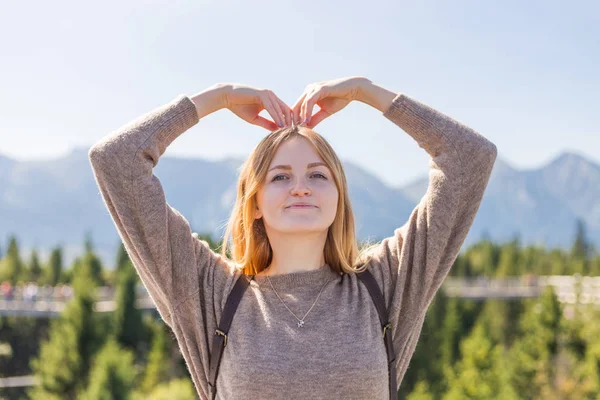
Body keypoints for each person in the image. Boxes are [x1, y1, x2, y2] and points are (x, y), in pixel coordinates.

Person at [88, 76, 497, 399]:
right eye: (280, 176)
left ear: (339, 197)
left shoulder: (386, 283)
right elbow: (116, 161)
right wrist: (217, 98)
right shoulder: (211, 293)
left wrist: (367, 92)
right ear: (255, 203)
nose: (300, 187)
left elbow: (469, 158)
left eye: (318, 175)